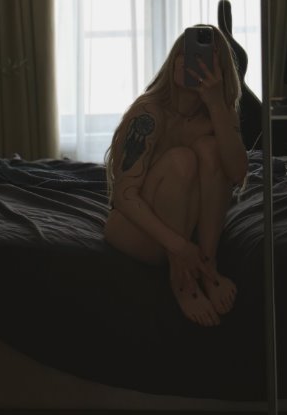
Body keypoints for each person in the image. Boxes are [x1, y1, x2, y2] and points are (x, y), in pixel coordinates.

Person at [104, 25, 248, 328]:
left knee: (211, 149)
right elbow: (124, 196)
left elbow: (237, 174)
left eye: (201, 56)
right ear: (171, 62)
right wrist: (180, 248)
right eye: (182, 54)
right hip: (134, 226)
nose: (188, 61)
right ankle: (182, 280)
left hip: (187, 222)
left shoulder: (218, 114)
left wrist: (215, 103)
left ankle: (207, 266)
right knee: (182, 160)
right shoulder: (149, 113)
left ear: (220, 68)